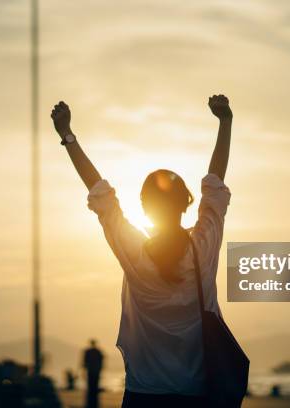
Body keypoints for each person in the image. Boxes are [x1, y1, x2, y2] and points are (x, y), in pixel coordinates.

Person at [51, 94, 234, 408]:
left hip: (143, 395)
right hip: (197, 395)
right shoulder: (203, 247)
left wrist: (67, 135)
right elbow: (215, 185)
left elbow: (100, 193)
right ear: (186, 203)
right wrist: (225, 122)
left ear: (145, 208)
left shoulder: (134, 252)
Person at [82, 339, 104, 408]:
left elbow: (84, 362)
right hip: (96, 371)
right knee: (94, 386)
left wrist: (84, 369)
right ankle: (94, 402)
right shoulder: (98, 351)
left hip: (91, 371)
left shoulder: (88, 351)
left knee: (90, 386)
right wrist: (100, 369)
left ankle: (90, 402)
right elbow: (101, 361)